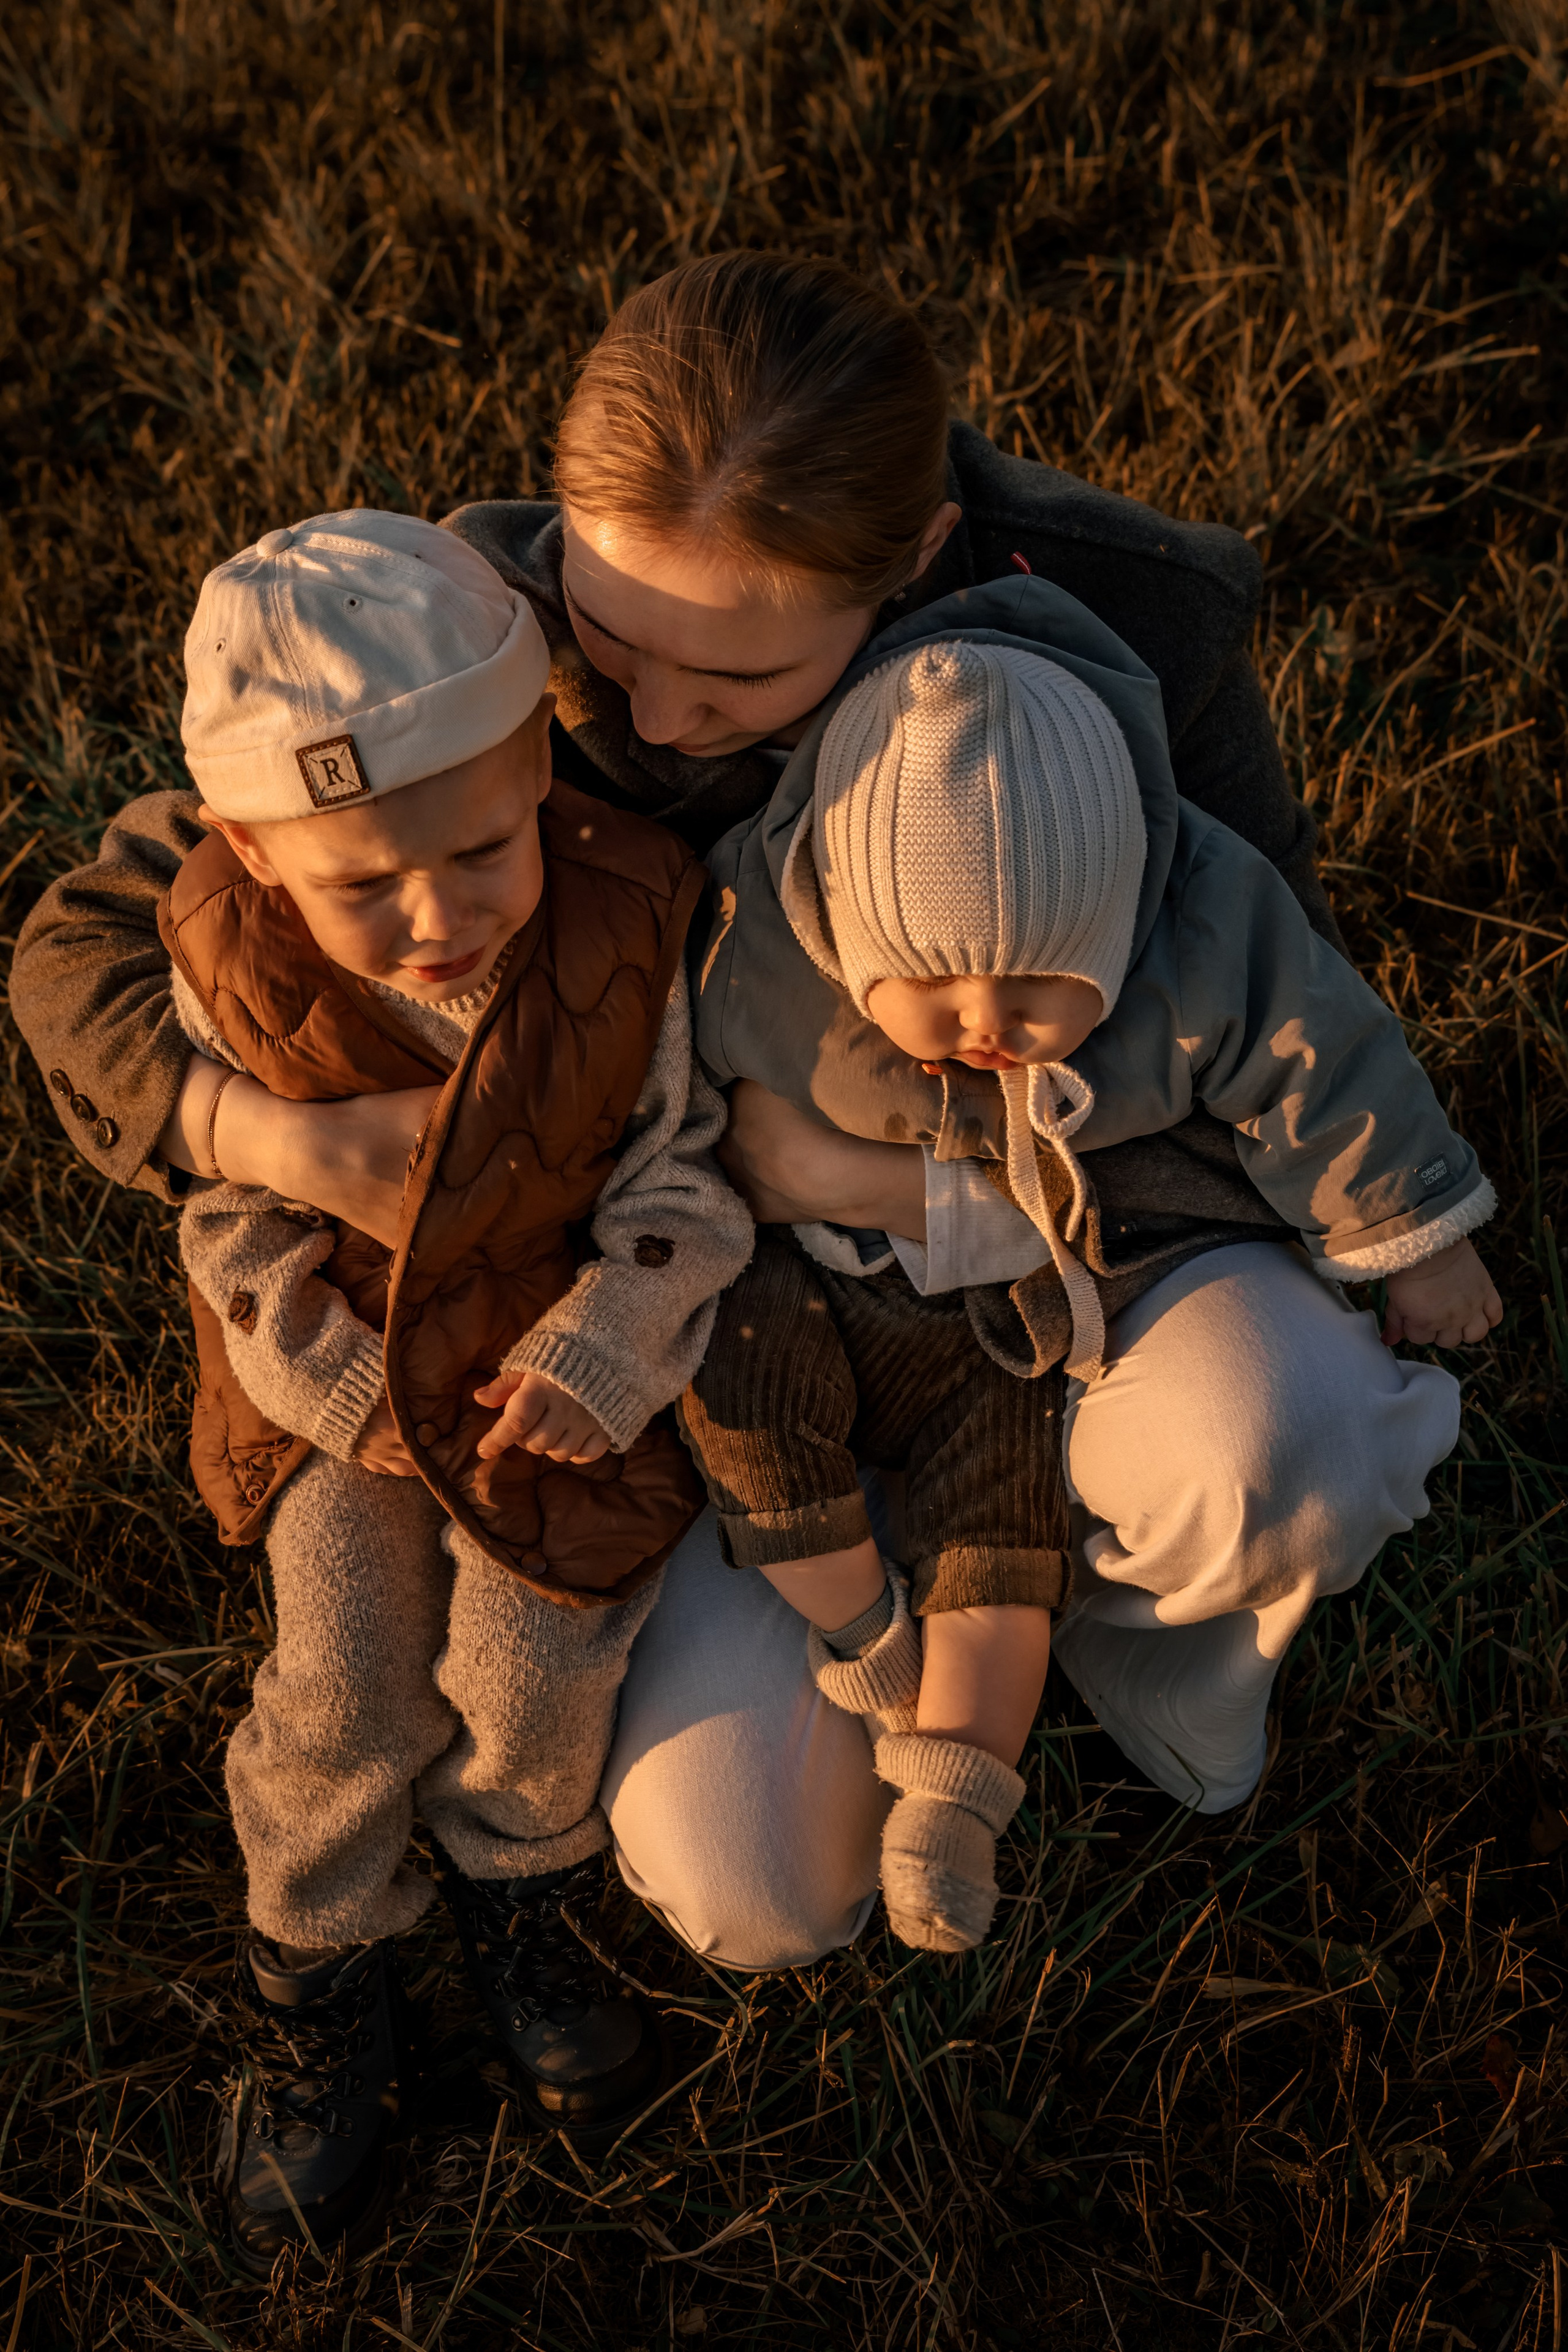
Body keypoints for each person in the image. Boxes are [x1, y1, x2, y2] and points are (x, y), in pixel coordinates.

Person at [12, 251, 1487, 1988]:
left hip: (1065, 1238)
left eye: (735, 687)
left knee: (1282, 1440)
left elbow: (1243, 1008)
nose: (645, 719)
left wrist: (891, 1177)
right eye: (616, 638)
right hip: (694, 1308)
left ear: (913, 570)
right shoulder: (468, 634)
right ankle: (889, 1611)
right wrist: (262, 1137)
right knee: (750, 1890)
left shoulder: (1120, 631)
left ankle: (1123, 1631)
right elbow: (104, 928)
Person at [682, 625, 1498, 1953]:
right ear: (840, 930)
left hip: (1103, 1280)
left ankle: (1138, 1643)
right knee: (760, 1862)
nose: (985, 1019)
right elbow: (655, 1087)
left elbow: (1319, 1059)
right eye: (932, 983)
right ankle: (887, 1650)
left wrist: (1415, 1231)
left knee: (1279, 1444)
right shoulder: (760, 947)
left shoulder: (1196, 921)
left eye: (1044, 975)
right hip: (852, 1326)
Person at [153, 508, 752, 2269]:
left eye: (488, 846)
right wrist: (319, 1372)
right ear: (259, 864)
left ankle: (521, 1884)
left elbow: (681, 1177)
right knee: (342, 1673)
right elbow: (235, 1220)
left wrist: (611, 1341)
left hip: (542, 1371)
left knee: (537, 1648)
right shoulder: (230, 967)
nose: (438, 914)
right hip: (340, 1376)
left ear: (542, 772)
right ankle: (321, 1951)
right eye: (364, 887)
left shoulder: (629, 922)